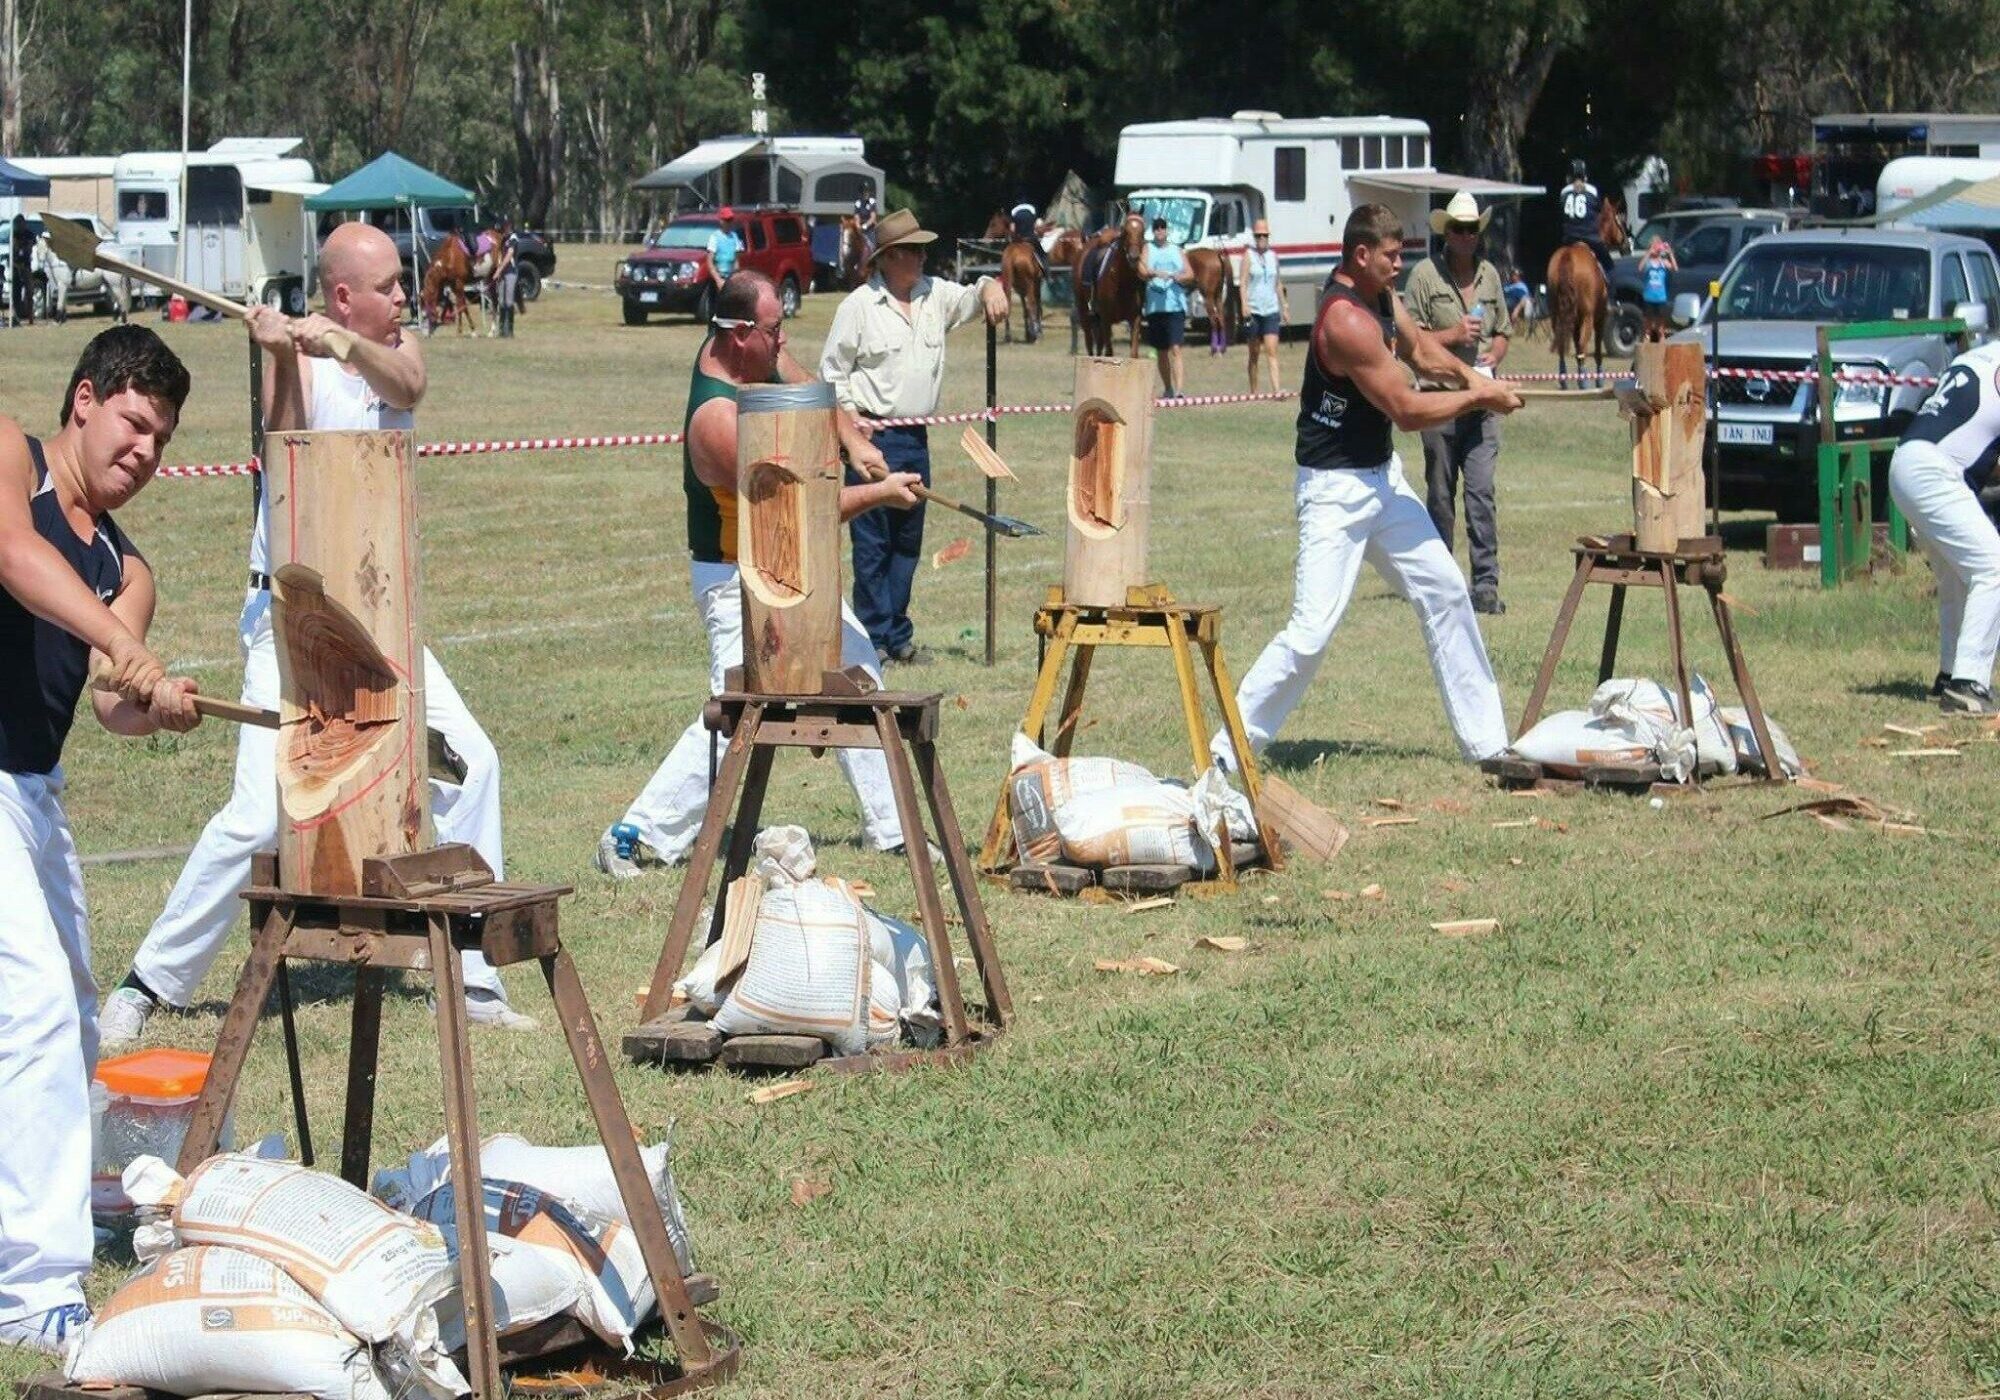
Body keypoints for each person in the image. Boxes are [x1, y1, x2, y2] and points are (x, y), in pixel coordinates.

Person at [103, 222, 535, 1049]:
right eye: (387, 286)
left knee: (473, 764)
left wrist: (343, 343)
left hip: (381, 617)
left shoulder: (392, 352)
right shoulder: (299, 362)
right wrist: (279, 352)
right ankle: (146, 984)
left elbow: (410, 385)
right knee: (259, 818)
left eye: (401, 283)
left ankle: (474, 977)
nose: (404, 296)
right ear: (343, 294)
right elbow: (287, 443)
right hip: (292, 618)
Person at [0, 326, 202, 1354]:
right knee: (34, 1006)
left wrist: (154, 705)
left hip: (32, 794)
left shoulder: (128, 567)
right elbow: (14, 555)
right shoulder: (10, 455)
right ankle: (34, 1290)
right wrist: (122, 640)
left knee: (73, 1020)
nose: (145, 452)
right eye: (133, 423)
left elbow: (110, 702)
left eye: (162, 439)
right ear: (84, 399)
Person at [595, 270, 926, 876]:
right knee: (740, 709)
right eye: (774, 330)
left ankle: (892, 829)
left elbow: (806, 383)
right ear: (740, 332)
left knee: (858, 671)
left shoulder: (749, 355)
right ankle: (635, 834)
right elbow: (801, 512)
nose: (783, 340)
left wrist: (853, 442)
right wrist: (880, 494)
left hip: (783, 557)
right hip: (734, 578)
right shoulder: (716, 421)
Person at [1213, 204, 1524, 773]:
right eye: (1391, 256)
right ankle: (1226, 750)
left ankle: (1489, 746)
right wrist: (1480, 397)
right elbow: (1405, 409)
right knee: (1311, 633)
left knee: (1447, 591)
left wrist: (1475, 376)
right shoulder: (1345, 320)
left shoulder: (1381, 296)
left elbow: (1422, 350)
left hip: (1383, 480)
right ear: (1361, 255)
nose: (1399, 265)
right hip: (1334, 491)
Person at [819, 208, 1008, 665]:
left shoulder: (935, 294)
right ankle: (873, 640)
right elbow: (831, 372)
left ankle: (898, 635)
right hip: (871, 436)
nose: (922, 257)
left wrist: (991, 287)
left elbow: (973, 295)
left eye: (923, 249)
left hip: (916, 438)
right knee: (873, 544)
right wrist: (851, 424)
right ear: (887, 258)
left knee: (907, 542)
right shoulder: (858, 307)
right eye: (912, 250)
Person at [1404, 190, 1511, 614]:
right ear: (1446, 233)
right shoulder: (1424, 276)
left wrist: (1496, 353)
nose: (1467, 236)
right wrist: (1452, 335)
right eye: (1459, 229)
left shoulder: (1490, 276)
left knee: (1481, 493)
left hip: (1482, 402)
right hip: (1439, 401)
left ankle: (1486, 585)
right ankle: (1443, 582)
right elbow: (1407, 340)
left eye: (1472, 229)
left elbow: (1502, 332)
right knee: (1440, 496)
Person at [1888, 339, 2000, 715]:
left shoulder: (1977, 356)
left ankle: (1950, 674)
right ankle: (1968, 684)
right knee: (1993, 567)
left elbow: (1974, 442)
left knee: (1956, 576)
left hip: (1907, 461)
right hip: (1934, 471)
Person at [1143, 217, 1193, 399]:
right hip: (1155, 307)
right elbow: (1141, 270)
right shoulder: (1147, 249)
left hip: (1175, 306)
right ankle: (1168, 388)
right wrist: (1153, 273)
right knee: (1161, 350)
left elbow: (1190, 274)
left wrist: (1179, 277)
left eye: (1162, 227)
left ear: (1167, 230)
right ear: (1153, 231)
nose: (1159, 231)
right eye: (1156, 228)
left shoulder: (1177, 250)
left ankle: (1179, 390)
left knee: (1176, 348)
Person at [1236, 219, 1289, 393]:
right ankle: (1254, 391)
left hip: (1271, 310)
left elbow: (1278, 283)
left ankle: (1277, 389)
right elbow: (1243, 282)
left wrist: (1284, 306)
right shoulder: (1248, 256)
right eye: (1258, 235)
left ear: (1268, 236)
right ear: (1254, 237)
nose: (1261, 238)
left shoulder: (1273, 257)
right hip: (1254, 310)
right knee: (1254, 353)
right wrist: (1244, 304)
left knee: (1272, 351)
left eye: (1264, 235)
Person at [1559, 159, 1614, 278]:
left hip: (1569, 238)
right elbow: (1598, 211)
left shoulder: (1563, 192)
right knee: (1609, 265)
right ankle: (1610, 287)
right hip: (1590, 237)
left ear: (1570, 177)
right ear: (1585, 176)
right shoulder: (1592, 191)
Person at [1639, 237, 1679, 341]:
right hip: (1649, 297)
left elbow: (1675, 268)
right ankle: (1646, 342)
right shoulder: (1648, 263)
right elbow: (1640, 268)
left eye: (1658, 246)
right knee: (1647, 326)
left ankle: (1661, 342)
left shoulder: (1663, 262)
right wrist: (1649, 253)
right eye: (1655, 246)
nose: (1657, 249)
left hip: (1661, 298)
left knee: (1660, 327)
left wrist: (1670, 254)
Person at [707, 208, 743, 293]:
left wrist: (736, 277)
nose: (729, 223)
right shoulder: (715, 237)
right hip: (719, 277)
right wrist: (718, 280)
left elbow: (736, 260)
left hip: (731, 278)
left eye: (730, 220)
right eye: (727, 220)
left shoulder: (734, 236)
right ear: (721, 221)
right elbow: (710, 261)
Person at [495, 220, 520, 339]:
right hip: (502, 273)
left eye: (505, 226)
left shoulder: (513, 238)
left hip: (510, 272)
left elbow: (509, 255)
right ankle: (501, 329)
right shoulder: (503, 238)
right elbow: (500, 255)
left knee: (509, 301)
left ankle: (510, 330)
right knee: (501, 301)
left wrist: (499, 270)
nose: (503, 228)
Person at [1009, 199, 1046, 273]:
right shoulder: (1032, 210)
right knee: (1043, 255)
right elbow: (1037, 225)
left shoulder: (1014, 212)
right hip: (1031, 238)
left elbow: (1012, 229)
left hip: (1019, 239)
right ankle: (1048, 275)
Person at [854, 189, 879, 258]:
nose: (866, 194)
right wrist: (858, 226)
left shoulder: (872, 202)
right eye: (864, 193)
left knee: (872, 246)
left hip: (870, 228)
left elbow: (873, 218)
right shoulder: (858, 203)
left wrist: (865, 226)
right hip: (861, 228)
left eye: (867, 193)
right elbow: (857, 217)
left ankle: (873, 257)